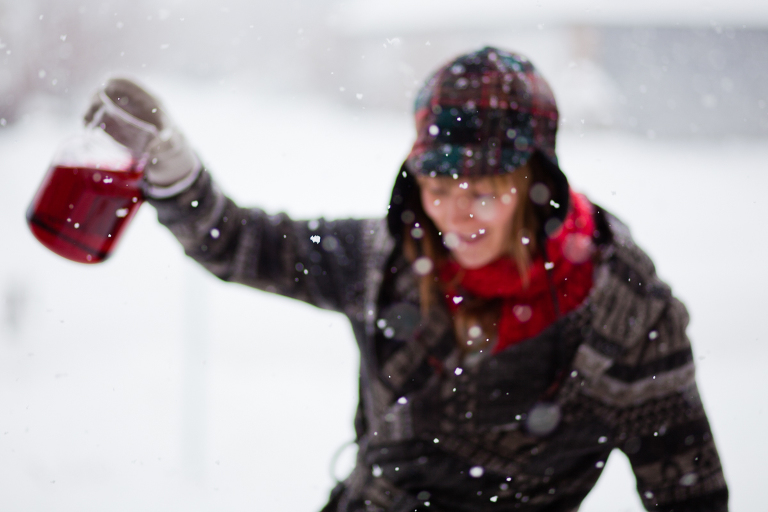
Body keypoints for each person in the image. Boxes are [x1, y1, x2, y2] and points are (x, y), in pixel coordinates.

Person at [87, 47, 728, 511]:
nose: (456, 212)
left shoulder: (625, 314)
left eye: (484, 189)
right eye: (438, 185)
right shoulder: (385, 258)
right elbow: (243, 244)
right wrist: (173, 173)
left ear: (535, 187)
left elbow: (688, 489)